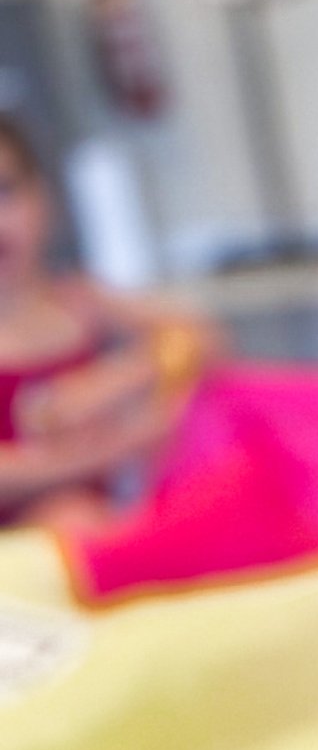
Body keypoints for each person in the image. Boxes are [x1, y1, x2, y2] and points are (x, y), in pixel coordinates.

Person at [0, 113, 218, 530]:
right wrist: (110, 449)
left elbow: (199, 335)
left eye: (3, 190)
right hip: (23, 546)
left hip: (91, 521)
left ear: (42, 199)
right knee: (72, 516)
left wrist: (113, 381)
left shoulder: (79, 300)